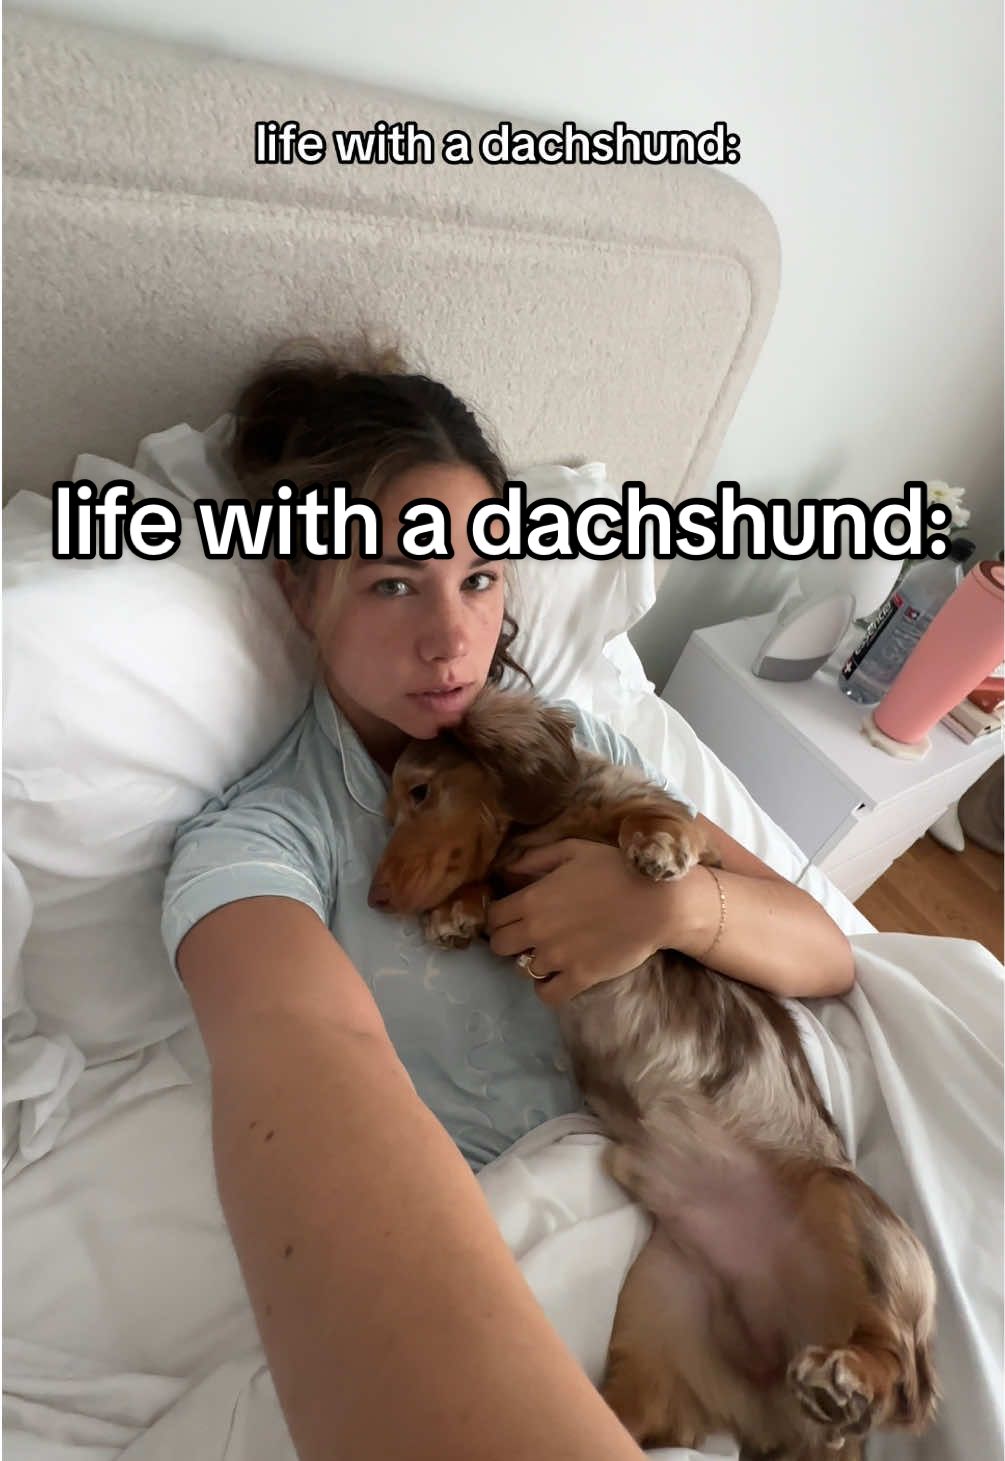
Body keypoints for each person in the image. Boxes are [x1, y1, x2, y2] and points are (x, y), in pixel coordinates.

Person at [162, 333, 855, 1461]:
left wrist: (674, 911)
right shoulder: (261, 843)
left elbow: (825, 951)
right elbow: (296, 1047)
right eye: (394, 583)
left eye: (479, 579)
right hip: (555, 1268)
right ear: (298, 587)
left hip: (760, 1178)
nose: (453, 640)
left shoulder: (573, 750)